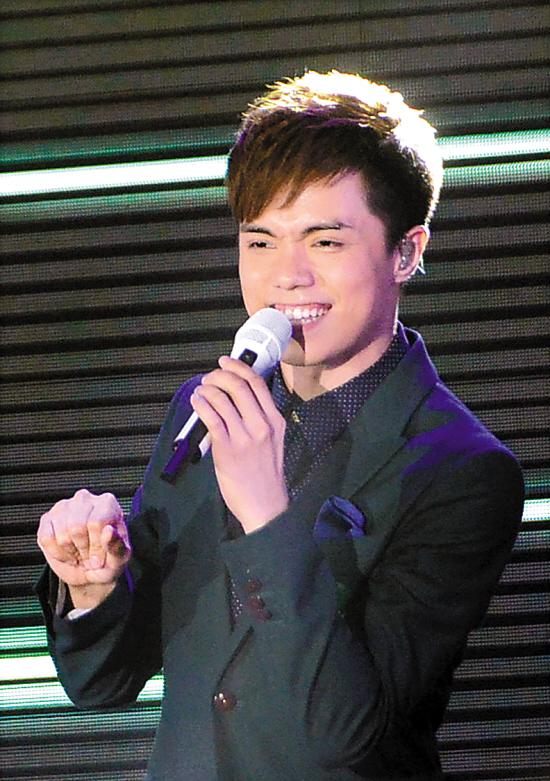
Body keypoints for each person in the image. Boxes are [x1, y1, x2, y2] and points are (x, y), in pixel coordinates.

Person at [36, 70, 524, 781]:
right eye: (260, 242)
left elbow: (344, 734)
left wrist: (266, 514)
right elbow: (102, 683)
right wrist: (94, 587)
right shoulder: (206, 408)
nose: (285, 276)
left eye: (324, 242)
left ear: (407, 251)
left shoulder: (463, 470)